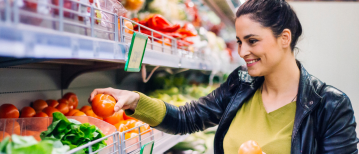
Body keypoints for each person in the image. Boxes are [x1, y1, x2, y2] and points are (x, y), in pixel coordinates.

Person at [89, 0, 358, 153]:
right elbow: (186, 119)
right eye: (239, 41)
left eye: (252, 41)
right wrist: (135, 100)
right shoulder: (241, 82)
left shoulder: (330, 106)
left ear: (284, 38)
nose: (242, 51)